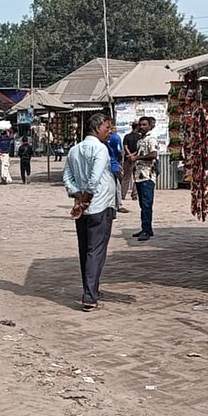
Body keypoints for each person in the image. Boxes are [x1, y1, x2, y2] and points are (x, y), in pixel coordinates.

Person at [63, 113, 118, 311]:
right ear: (96, 129)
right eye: (107, 128)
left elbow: (67, 177)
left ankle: (91, 289)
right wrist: (85, 199)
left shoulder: (74, 150)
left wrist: (77, 195)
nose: (109, 132)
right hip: (98, 206)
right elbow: (94, 179)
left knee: (85, 250)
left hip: (84, 208)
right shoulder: (100, 149)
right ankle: (90, 295)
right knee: (95, 251)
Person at [132, 116, 160, 241]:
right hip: (139, 175)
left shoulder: (151, 138)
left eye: (144, 125)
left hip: (147, 175)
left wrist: (137, 158)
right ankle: (146, 228)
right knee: (143, 204)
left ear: (149, 126)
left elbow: (153, 154)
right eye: (140, 125)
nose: (142, 127)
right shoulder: (140, 139)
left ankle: (146, 230)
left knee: (147, 204)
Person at [106, 123, 128, 213]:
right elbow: (120, 152)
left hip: (105, 164)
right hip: (114, 164)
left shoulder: (103, 138)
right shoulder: (116, 138)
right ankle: (118, 205)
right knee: (117, 186)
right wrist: (119, 163)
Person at [120, 119, 141, 203]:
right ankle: (134, 195)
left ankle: (123, 194)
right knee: (136, 178)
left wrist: (129, 155)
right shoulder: (140, 137)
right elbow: (139, 148)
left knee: (126, 178)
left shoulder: (127, 136)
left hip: (127, 159)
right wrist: (133, 155)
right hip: (137, 159)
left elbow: (125, 147)